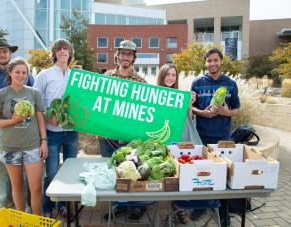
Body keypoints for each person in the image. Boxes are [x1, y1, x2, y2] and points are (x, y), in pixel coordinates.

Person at [0, 38, 35, 212]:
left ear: (10, 53)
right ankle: (4, 202)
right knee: (2, 166)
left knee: (22, 167)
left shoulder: (22, 71)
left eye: (5, 51)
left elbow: (33, 92)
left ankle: (23, 204)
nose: (2, 54)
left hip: (21, 126)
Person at [0, 57, 47, 215]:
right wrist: (13, 120)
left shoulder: (34, 93)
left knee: (35, 187)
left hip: (32, 147)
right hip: (10, 147)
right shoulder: (0, 95)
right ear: (10, 73)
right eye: (17, 72)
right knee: (17, 186)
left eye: (24, 72)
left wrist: (44, 141)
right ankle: (21, 219)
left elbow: (40, 119)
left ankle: (36, 220)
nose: (21, 75)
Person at [100, 40, 149, 221]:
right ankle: (118, 205)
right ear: (118, 55)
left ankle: (135, 206)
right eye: (123, 53)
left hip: (130, 140)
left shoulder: (141, 82)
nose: (125, 57)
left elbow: (144, 112)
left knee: (132, 173)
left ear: (134, 58)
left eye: (129, 54)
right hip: (108, 137)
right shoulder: (106, 77)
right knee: (112, 174)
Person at [191, 48, 240, 226]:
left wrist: (227, 112)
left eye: (215, 60)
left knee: (223, 174)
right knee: (202, 171)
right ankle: (201, 205)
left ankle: (223, 211)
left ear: (221, 62)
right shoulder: (197, 83)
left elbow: (236, 109)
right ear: (206, 63)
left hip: (223, 136)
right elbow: (191, 108)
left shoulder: (230, 84)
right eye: (209, 61)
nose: (213, 64)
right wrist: (201, 113)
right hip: (201, 136)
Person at [33, 39, 78, 218]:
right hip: (51, 132)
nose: (62, 52)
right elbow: (36, 101)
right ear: (54, 53)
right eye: (59, 49)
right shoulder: (44, 75)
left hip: (71, 131)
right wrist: (47, 117)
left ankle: (64, 206)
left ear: (70, 53)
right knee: (51, 172)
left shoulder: (75, 75)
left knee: (70, 170)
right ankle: (48, 207)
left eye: (66, 48)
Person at [156, 63, 202, 224]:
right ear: (162, 76)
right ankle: (175, 209)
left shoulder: (181, 95)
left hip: (182, 137)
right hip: (164, 137)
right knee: (170, 174)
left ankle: (179, 209)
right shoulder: (155, 94)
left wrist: (189, 105)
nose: (170, 78)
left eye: (173, 75)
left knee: (182, 172)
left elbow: (189, 117)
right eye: (167, 75)